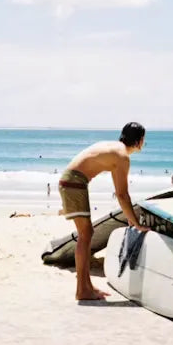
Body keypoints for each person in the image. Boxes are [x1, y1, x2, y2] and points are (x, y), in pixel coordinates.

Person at [58, 121, 149, 301]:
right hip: (73, 184)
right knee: (85, 234)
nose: (144, 143)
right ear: (139, 141)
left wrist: (131, 217)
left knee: (87, 233)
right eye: (144, 139)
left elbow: (120, 192)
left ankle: (87, 287)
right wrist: (137, 224)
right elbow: (122, 195)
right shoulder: (122, 156)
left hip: (72, 182)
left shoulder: (115, 149)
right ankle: (82, 290)